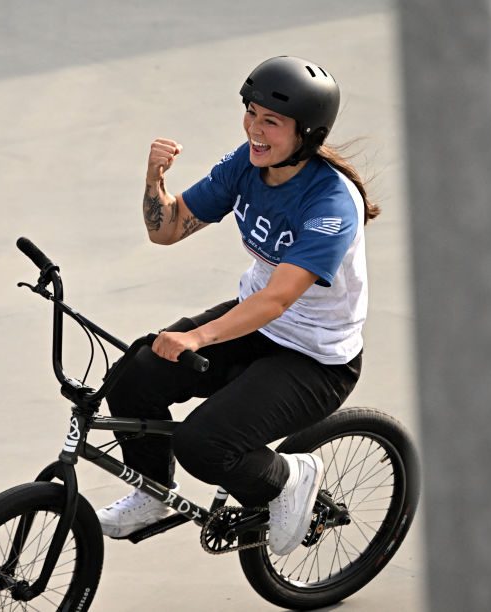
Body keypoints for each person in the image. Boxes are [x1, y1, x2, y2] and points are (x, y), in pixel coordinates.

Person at [95, 55, 381, 556]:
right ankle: (152, 492)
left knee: (203, 445)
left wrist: (197, 337)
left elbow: (279, 298)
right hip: (255, 325)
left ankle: (290, 477)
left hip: (315, 358)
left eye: (271, 121)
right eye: (251, 112)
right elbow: (166, 230)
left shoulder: (331, 204)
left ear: (308, 135)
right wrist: (153, 180)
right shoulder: (246, 166)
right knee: (134, 378)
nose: (255, 129)